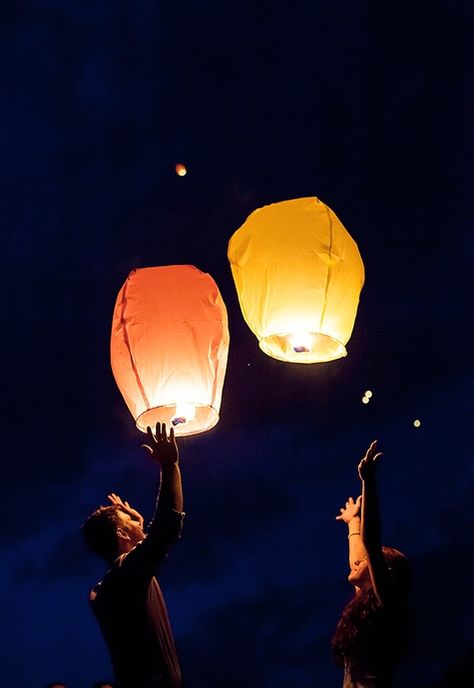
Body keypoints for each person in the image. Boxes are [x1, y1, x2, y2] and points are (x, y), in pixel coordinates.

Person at [82, 423, 184, 688]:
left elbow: (154, 535)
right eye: (133, 522)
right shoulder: (126, 573)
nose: (141, 523)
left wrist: (132, 523)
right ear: (122, 534)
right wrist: (170, 465)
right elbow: (167, 526)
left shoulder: (114, 582)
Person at [332, 440, 412, 688]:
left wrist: (368, 481)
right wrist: (352, 522)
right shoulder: (367, 603)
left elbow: (371, 541)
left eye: (367, 560)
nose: (357, 562)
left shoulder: (386, 603)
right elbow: (360, 555)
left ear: (383, 572)